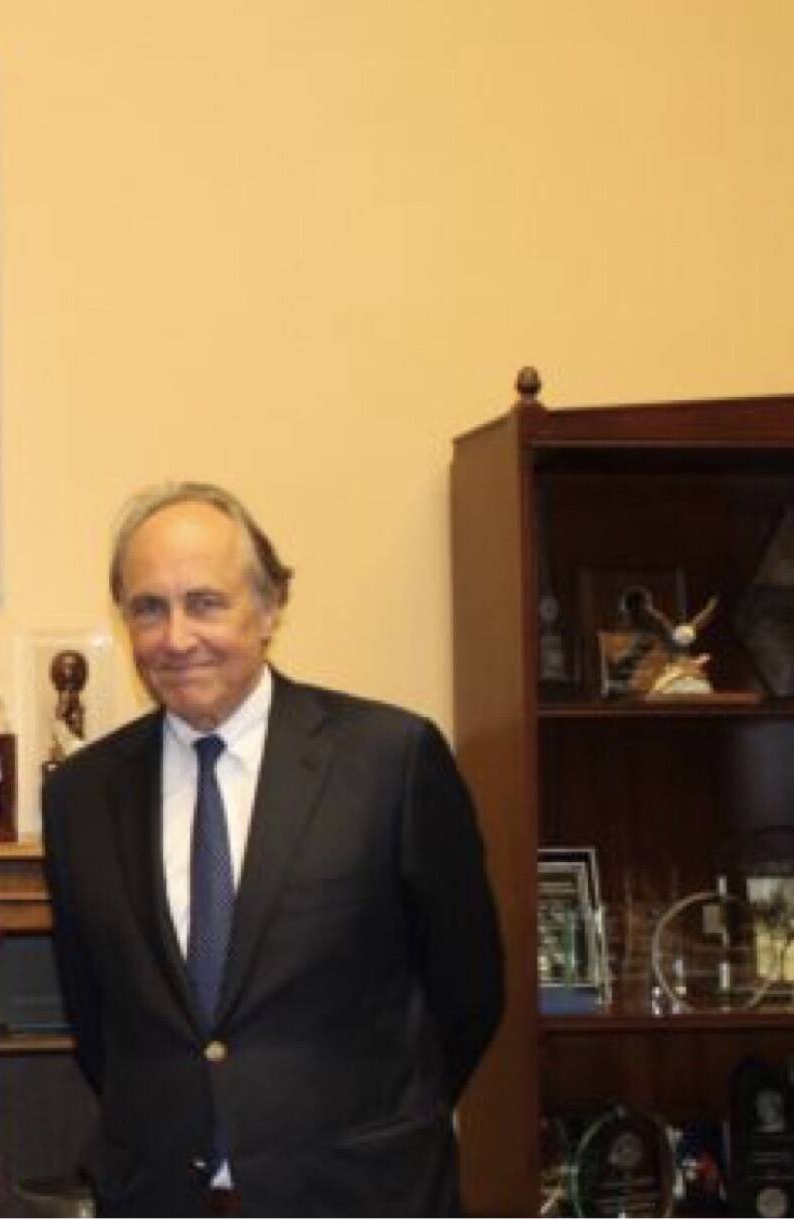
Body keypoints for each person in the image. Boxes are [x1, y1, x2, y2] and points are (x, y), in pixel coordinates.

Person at [41, 481, 505, 1216]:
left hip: (359, 1194)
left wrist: (362, 1130)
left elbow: (469, 989)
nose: (177, 636)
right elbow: (97, 1019)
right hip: (159, 1194)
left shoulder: (390, 759)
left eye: (206, 601)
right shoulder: (81, 795)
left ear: (270, 607)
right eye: (149, 608)